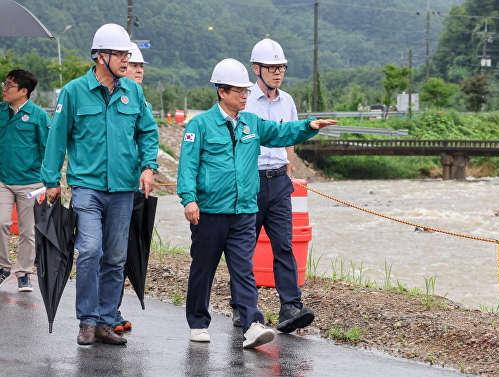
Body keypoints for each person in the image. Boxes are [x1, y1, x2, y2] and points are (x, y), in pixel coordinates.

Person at [177, 58, 336, 349]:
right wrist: (189, 199)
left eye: (247, 91)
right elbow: (187, 166)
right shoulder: (199, 125)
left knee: (243, 269)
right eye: (239, 91)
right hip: (210, 211)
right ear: (221, 91)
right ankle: (198, 322)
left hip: (244, 211)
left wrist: (309, 126)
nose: (245, 96)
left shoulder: (252, 122)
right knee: (204, 268)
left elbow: (279, 133)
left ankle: (251, 323)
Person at [41, 23, 159, 346]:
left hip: (123, 190)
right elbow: (57, 138)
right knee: (91, 249)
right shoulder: (74, 92)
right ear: (100, 56)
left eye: (127, 53)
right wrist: (51, 180)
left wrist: (149, 166)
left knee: (116, 256)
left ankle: (107, 320)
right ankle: (87, 320)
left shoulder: (133, 91)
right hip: (87, 188)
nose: (126, 59)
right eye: (120, 54)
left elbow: (147, 132)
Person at [230, 38, 315, 333]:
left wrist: (289, 166)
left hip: (279, 181)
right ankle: (243, 306)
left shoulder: (287, 101)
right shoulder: (243, 100)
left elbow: (288, 135)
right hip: (250, 181)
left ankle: (290, 307)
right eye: (272, 67)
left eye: (281, 67)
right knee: (244, 247)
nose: (278, 72)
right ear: (257, 69)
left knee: (284, 244)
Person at [111, 42, 149, 334]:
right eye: (133, 65)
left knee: (126, 249)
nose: (138, 70)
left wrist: (148, 168)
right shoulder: (111, 96)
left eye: (141, 66)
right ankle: (108, 310)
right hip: (110, 185)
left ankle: (113, 307)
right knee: (105, 249)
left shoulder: (140, 101)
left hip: (136, 186)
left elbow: (148, 137)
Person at [0, 69, 50, 292]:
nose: (4, 88)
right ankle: (3, 267)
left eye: (9, 85)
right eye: (5, 84)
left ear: (23, 91)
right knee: (1, 223)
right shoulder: (0, 111)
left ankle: (24, 274)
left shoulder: (39, 116)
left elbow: (49, 149)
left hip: (31, 182)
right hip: (2, 180)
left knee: (27, 231)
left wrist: (51, 181)